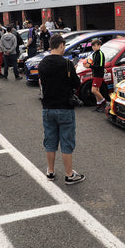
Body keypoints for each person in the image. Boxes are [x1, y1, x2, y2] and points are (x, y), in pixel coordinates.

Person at [38, 34, 85, 185]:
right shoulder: (67, 63)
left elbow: (42, 82)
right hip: (65, 107)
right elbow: (76, 84)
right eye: (64, 46)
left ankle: (50, 171)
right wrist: (73, 70)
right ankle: (69, 174)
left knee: (50, 140)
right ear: (61, 46)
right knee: (66, 141)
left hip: (48, 108)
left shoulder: (43, 63)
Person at [89, 38, 107, 112]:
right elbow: (94, 65)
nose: (94, 47)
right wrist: (92, 73)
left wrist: (89, 66)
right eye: (93, 46)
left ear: (99, 46)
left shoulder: (100, 54)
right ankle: (99, 105)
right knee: (97, 90)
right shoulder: (94, 54)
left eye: (95, 46)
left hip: (99, 75)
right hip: (95, 74)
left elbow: (100, 66)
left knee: (93, 90)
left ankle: (105, 102)